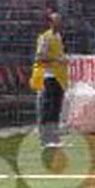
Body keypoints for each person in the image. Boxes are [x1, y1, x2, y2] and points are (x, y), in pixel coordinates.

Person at [30, 12, 69, 149]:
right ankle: (45, 139)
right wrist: (57, 60)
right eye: (57, 21)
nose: (60, 23)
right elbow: (39, 58)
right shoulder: (44, 38)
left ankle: (54, 137)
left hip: (59, 76)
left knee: (55, 108)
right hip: (48, 76)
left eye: (60, 20)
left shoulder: (58, 37)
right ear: (50, 23)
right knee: (47, 108)